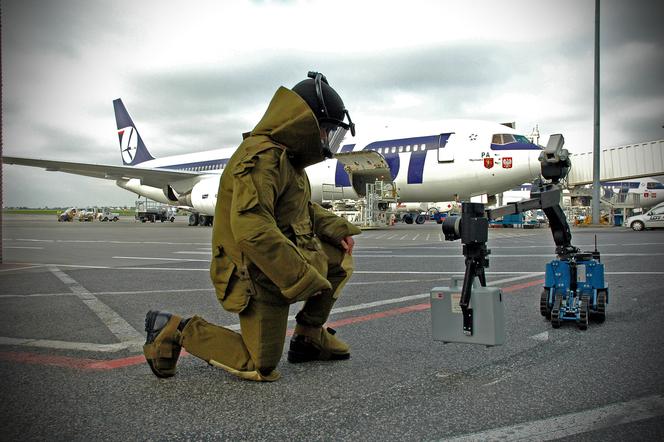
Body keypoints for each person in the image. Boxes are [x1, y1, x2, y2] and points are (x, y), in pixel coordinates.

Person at [143, 72, 361, 382]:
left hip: (273, 261)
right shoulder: (261, 158)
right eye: (326, 131)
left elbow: (299, 209)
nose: (327, 140)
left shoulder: (290, 160)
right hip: (253, 272)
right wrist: (302, 278)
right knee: (259, 365)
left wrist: (338, 229)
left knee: (339, 258)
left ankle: (308, 337)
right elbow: (252, 228)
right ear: (305, 123)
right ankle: (175, 329)